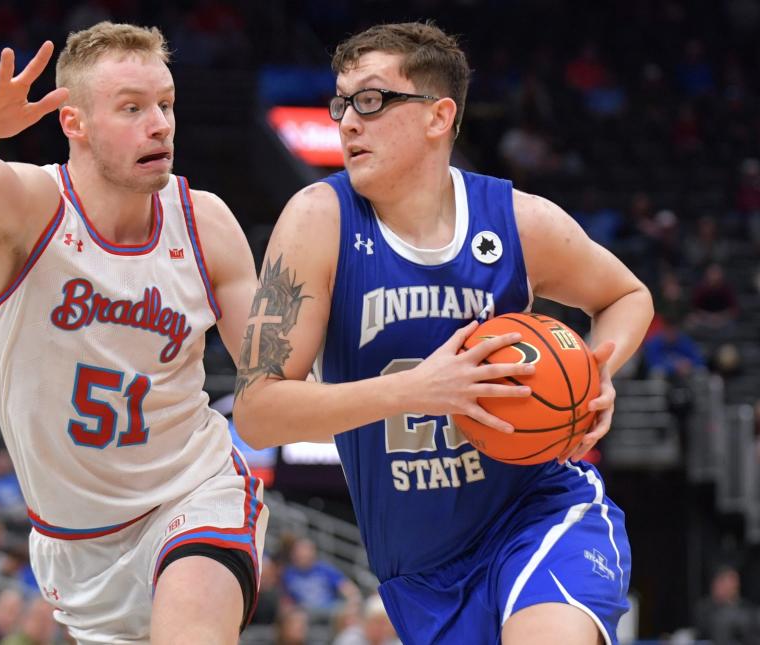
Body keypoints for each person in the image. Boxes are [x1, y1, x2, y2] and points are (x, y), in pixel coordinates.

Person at [233, 22, 653, 645]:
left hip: (537, 512)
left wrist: (592, 373)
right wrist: (418, 390)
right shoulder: (319, 219)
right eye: (341, 102)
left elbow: (627, 295)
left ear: (438, 116)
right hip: (419, 571)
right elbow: (257, 413)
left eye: (371, 100)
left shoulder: (516, 220)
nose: (348, 120)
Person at [0, 21, 267, 644]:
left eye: (165, 105)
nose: (159, 124)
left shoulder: (206, 221)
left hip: (195, 494)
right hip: (76, 546)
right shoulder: (33, 207)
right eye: (132, 108)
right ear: (74, 123)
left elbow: (274, 379)